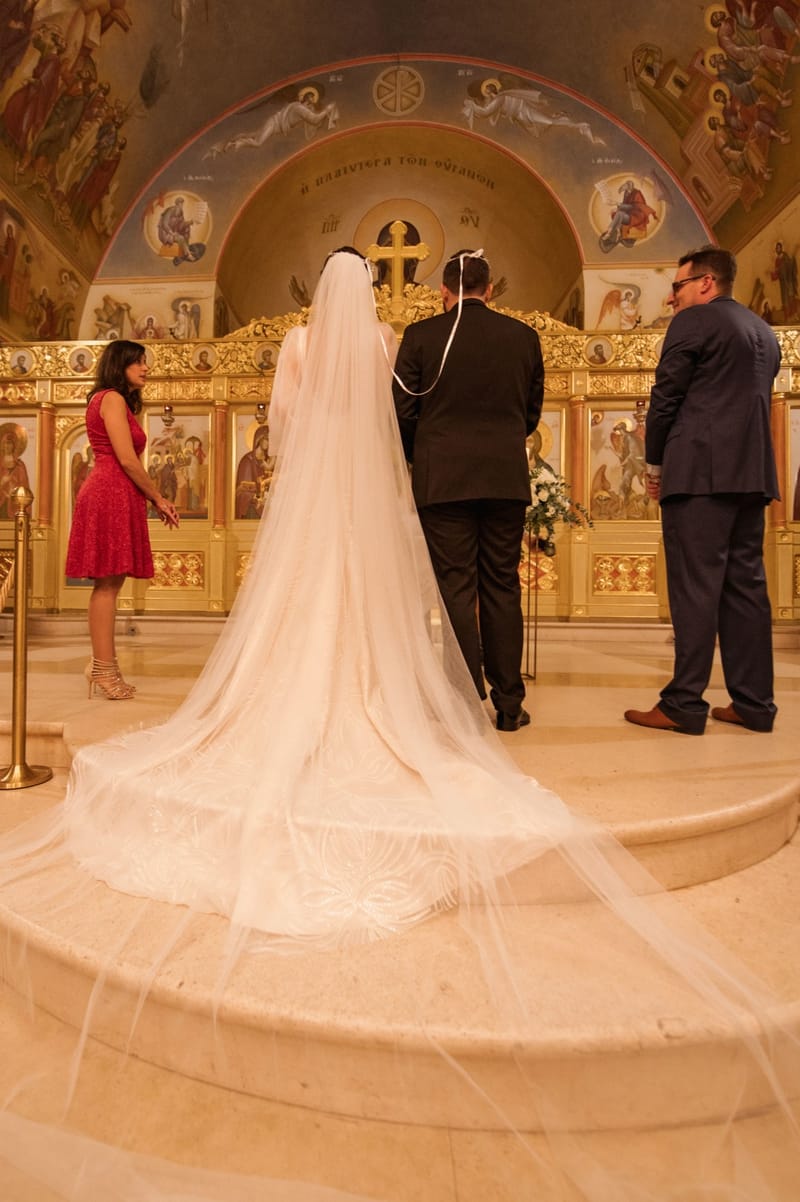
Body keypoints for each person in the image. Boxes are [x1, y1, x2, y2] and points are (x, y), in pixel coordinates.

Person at [0, 250, 798, 1202]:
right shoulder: (399, 338)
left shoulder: (317, 345)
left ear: (317, 293)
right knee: (459, 599)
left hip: (334, 498)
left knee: (358, 599)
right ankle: (539, 695)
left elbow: (288, 422)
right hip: (425, 491)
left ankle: (406, 688)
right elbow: (407, 417)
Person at [624, 246, 781, 736]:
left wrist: (654, 463)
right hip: (751, 475)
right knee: (746, 588)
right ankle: (754, 704)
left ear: (706, 283)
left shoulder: (693, 322)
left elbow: (666, 396)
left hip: (699, 475)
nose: (672, 298)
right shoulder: (763, 332)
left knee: (695, 588)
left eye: (678, 286)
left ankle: (683, 704)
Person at [392, 249, 543, 731]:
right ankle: (509, 703)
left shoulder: (420, 336)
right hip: (504, 479)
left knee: (455, 586)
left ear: (444, 291)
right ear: (489, 289)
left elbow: (402, 412)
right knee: (502, 583)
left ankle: (461, 700)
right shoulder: (523, 337)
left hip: (442, 481)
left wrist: (425, 454)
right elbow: (531, 412)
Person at [65, 340, 180, 700]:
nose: (146, 368)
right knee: (107, 586)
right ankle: (103, 669)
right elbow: (128, 460)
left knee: (110, 584)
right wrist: (158, 497)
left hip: (117, 492)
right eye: (138, 362)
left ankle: (102, 665)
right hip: (109, 491)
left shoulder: (113, 400)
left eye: (145, 362)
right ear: (120, 365)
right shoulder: (111, 398)